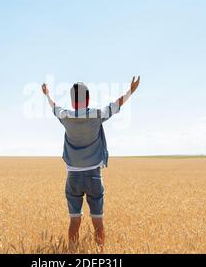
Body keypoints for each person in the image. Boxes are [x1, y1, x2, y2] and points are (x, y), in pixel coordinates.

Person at [41, 76, 140, 251]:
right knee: (98, 220)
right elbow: (116, 105)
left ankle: (72, 251)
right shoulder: (96, 114)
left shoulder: (66, 116)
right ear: (87, 99)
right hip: (94, 175)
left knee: (74, 220)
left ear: (72, 101)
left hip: (73, 177)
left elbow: (53, 106)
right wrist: (131, 90)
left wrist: (47, 94)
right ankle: (100, 253)